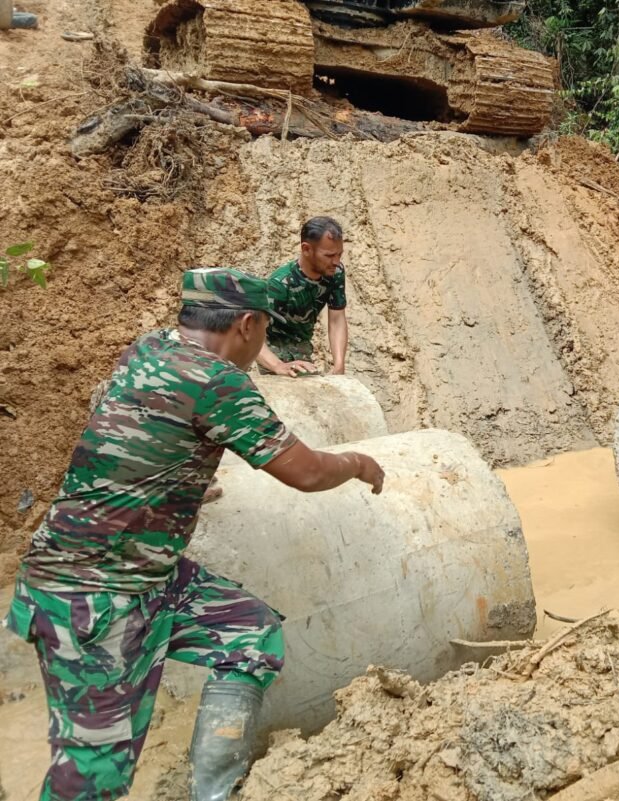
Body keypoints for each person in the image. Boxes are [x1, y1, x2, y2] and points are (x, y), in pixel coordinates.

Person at [2, 267, 385, 801]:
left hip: (145, 574)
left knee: (249, 633)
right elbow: (307, 472)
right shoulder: (218, 381)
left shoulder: (148, 349)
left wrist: (177, 487)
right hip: (91, 594)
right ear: (247, 324)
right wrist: (359, 462)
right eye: (265, 330)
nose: (264, 342)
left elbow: (128, 428)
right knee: (93, 778)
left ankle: (213, 791)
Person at [256, 216, 349, 378]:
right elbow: (252, 335)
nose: (336, 261)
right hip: (273, 352)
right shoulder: (280, 283)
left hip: (303, 348)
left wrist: (339, 365)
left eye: (339, 254)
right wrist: (277, 366)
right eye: (329, 256)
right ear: (306, 249)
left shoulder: (335, 273)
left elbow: (337, 318)